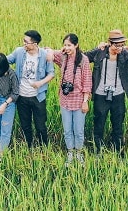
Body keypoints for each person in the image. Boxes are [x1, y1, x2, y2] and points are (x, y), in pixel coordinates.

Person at [85, 29, 128, 156]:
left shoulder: (125, 53)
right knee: (99, 123)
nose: (119, 48)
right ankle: (98, 151)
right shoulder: (99, 52)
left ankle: (118, 151)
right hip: (101, 94)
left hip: (118, 94)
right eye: (116, 45)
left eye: (121, 45)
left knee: (118, 124)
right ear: (109, 43)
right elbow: (82, 57)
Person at [48, 34, 92, 166]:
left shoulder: (83, 60)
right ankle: (70, 153)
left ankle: (78, 153)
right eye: (65, 45)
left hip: (79, 100)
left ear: (76, 45)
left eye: (69, 45)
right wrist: (60, 51)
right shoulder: (63, 56)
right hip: (65, 100)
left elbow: (87, 82)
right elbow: (47, 51)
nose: (67, 48)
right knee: (67, 130)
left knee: (78, 130)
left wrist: (85, 101)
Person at [7, 30, 54, 148]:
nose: (24, 44)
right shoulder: (19, 52)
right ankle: (30, 146)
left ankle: (44, 148)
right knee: (25, 125)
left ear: (35, 44)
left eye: (26, 42)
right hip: (22, 96)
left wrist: (40, 83)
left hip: (38, 97)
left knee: (40, 125)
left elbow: (51, 74)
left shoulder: (44, 55)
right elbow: (5, 60)